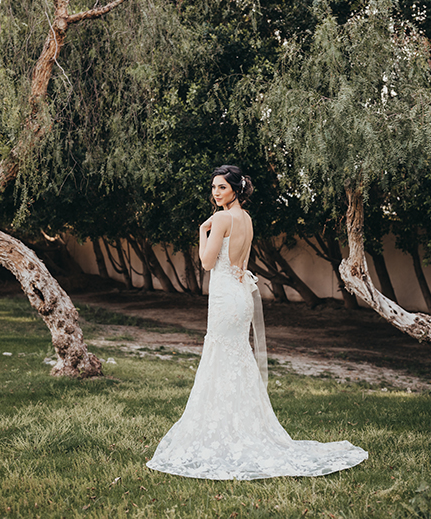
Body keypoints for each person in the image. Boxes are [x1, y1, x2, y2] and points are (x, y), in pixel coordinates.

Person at [146, 165, 368, 480]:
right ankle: (240, 429)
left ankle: (226, 432)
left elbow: (208, 263)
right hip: (240, 296)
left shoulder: (221, 219)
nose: (215, 193)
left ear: (235, 189)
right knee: (235, 358)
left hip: (225, 297)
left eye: (221, 187)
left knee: (222, 357)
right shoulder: (246, 219)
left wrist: (201, 232)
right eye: (213, 188)